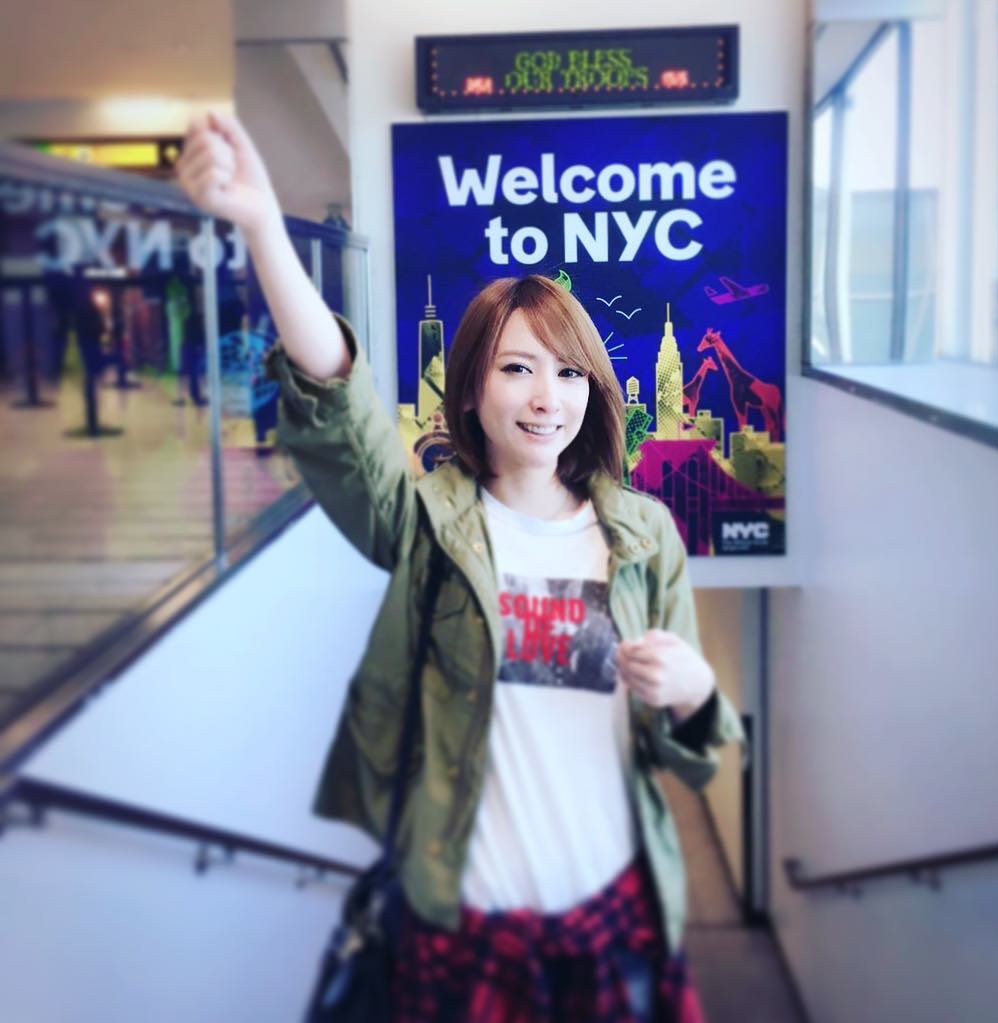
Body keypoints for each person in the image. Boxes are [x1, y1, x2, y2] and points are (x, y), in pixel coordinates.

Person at [176, 112, 746, 1022]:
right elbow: (338, 404)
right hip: (462, 922)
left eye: (569, 373)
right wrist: (262, 226)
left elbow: (692, 745)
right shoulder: (426, 526)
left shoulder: (644, 536)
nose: (546, 397)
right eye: (517, 368)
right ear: (472, 387)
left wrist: (692, 687)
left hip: (614, 916)